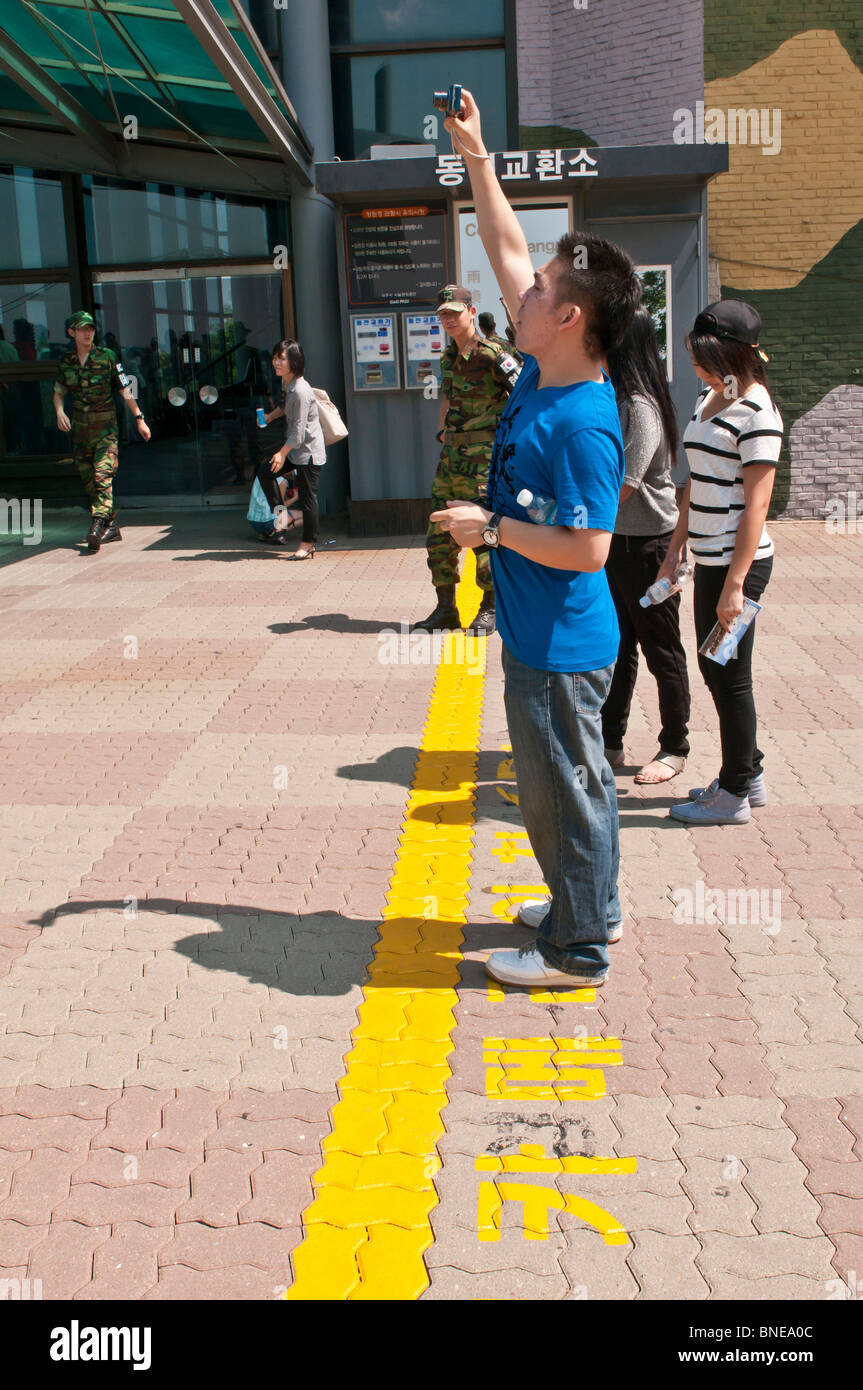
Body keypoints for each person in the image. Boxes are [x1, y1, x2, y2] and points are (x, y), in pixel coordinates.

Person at [431, 89, 641, 988]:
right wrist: (478, 157)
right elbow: (507, 246)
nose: (518, 291)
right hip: (540, 637)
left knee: (563, 793)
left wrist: (496, 530)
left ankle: (577, 948)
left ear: (569, 319)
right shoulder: (539, 368)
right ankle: (587, 905)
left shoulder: (583, 422)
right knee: (563, 789)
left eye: (541, 291)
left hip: (559, 646)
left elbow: (591, 550)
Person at [655, 300, 782, 826]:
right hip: (708, 560)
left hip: (740, 567)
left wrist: (735, 585)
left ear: (733, 355)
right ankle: (747, 774)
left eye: (705, 358)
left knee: (728, 674)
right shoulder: (709, 399)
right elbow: (695, 482)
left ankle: (734, 795)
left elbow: (757, 505)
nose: (697, 368)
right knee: (714, 665)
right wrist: (674, 550)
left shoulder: (757, 412)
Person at [601, 307, 692, 783]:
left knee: (662, 650)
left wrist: (573, 522)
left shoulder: (639, 405)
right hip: (619, 543)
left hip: (651, 546)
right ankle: (610, 741)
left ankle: (674, 746)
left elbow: (625, 483)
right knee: (619, 645)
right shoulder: (617, 397)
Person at [412, 284, 516, 637]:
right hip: (452, 457)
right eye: (443, 314)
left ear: (471, 312)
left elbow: (522, 394)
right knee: (439, 532)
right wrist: (442, 432)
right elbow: (449, 398)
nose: (448, 319)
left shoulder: (492, 352)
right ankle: (446, 608)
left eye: (454, 313)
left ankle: (490, 608)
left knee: (483, 532)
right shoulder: (448, 358)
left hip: (483, 459)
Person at [53, 311, 151, 551]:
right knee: (90, 481)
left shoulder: (107, 357)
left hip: (105, 430)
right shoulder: (67, 361)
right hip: (80, 431)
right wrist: (59, 412)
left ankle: (97, 526)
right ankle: (111, 526)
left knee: (102, 475)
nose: (88, 333)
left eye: (91, 329)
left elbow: (124, 390)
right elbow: (58, 391)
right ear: (72, 332)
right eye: (82, 329)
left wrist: (139, 419)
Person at [265, 339, 325, 560]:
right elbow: (285, 407)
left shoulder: (300, 390)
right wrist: (272, 416)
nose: (276, 362)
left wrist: (281, 453)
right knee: (265, 472)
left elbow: (299, 434)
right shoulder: (288, 384)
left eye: (282, 358)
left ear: (294, 361)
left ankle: (308, 543)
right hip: (295, 450)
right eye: (275, 357)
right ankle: (283, 520)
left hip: (308, 453)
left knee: (308, 499)